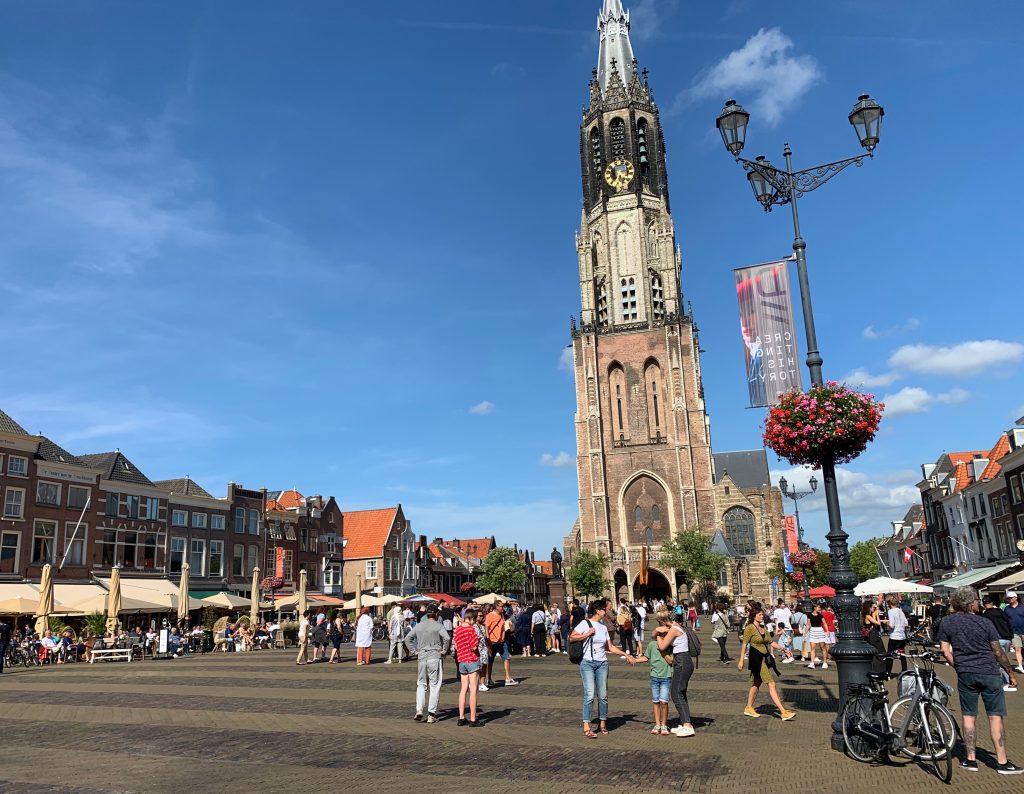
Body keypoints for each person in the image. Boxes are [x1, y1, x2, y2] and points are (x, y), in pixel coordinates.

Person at [937, 586, 1022, 774]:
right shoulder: (985, 623)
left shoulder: (947, 622)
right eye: (976, 599)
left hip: (966, 673)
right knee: (995, 716)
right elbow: (997, 651)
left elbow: (945, 650)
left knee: (969, 716)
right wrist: (1011, 673)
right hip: (989, 672)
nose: (978, 602)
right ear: (970, 603)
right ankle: (1001, 761)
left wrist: (957, 666)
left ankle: (970, 760)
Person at [569, 598, 635, 738]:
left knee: (603, 695)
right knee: (589, 694)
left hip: (602, 663)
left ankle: (603, 723)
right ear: (598, 611)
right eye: (604, 609)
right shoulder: (585, 623)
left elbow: (609, 647)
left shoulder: (603, 627)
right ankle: (586, 725)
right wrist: (587, 633)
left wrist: (625, 654)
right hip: (587, 662)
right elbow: (572, 637)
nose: (606, 610)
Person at [738, 604, 795, 721]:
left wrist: (784, 649)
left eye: (762, 614)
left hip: (764, 658)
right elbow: (744, 644)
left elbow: (771, 642)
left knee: (757, 683)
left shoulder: (763, 628)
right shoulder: (750, 628)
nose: (762, 616)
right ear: (754, 616)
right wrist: (741, 660)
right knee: (771, 683)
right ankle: (783, 712)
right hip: (756, 659)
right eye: (760, 615)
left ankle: (748, 707)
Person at [403, 607, 451, 724]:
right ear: (435, 614)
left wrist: (414, 651)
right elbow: (447, 638)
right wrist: (444, 651)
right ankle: (431, 714)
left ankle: (419, 709)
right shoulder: (438, 625)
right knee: (434, 685)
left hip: (422, 657)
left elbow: (407, 638)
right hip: (435, 656)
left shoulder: (419, 625)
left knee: (421, 684)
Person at [654, 611, 697, 736]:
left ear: (663, 620)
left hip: (682, 661)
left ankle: (687, 726)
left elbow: (661, 646)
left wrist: (658, 634)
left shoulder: (673, 630)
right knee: (680, 692)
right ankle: (685, 722)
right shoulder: (677, 627)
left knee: (676, 692)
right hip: (683, 661)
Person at [634, 611, 674, 736]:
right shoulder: (652, 645)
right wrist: (635, 660)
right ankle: (657, 723)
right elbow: (646, 657)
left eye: (665, 634)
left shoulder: (671, 646)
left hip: (666, 677)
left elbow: (671, 661)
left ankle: (664, 724)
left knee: (664, 702)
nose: (663, 636)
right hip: (654, 677)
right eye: (660, 634)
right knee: (656, 701)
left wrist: (662, 650)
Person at [453, 607, 482, 726]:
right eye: (474, 619)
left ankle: (461, 717)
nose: (474, 622)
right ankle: (473, 719)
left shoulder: (458, 630)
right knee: (473, 690)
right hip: (471, 660)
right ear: (470, 618)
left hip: (461, 661)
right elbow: (474, 646)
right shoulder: (471, 630)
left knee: (463, 689)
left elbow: (455, 646)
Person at [982, 594, 1016, 691]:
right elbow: (1009, 623)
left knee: (1000, 661)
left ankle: (1007, 682)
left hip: (996, 640)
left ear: (984, 604)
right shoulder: (1000, 611)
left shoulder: (985, 615)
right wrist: (1011, 636)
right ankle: (1007, 681)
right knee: (1004, 659)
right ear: (992, 603)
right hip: (1006, 638)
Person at [484, 601, 517, 687]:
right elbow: (486, 628)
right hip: (492, 641)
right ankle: (489, 679)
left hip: (502, 642)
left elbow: (502, 627)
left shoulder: (502, 615)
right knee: (490, 661)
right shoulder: (490, 616)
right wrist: (488, 639)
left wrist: (503, 637)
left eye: (503, 606)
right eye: (501, 606)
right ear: (496, 607)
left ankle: (508, 678)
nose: (503, 608)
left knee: (507, 658)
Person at [884, 595, 909, 674]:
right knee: (902, 655)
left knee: (890, 655)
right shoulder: (900, 610)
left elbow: (892, 625)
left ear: (889, 603)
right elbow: (906, 623)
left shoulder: (891, 611)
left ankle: (888, 672)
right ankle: (904, 670)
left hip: (894, 636)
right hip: (902, 636)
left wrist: (886, 622)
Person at [861, 601, 886, 674]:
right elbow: (878, 623)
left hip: (873, 635)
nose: (874, 609)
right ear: (869, 607)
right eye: (873, 607)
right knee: (879, 651)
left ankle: (878, 669)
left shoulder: (868, 615)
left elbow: (876, 626)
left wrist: (874, 613)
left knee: (876, 652)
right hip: (873, 636)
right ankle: (878, 669)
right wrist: (877, 615)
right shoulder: (867, 616)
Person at [805, 603, 829, 669]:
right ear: (815, 608)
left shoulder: (821, 615)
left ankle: (825, 662)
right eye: (818, 607)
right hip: (813, 631)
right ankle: (812, 663)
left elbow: (824, 623)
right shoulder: (809, 615)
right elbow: (808, 624)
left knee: (823, 647)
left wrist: (827, 631)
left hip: (820, 631)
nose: (820, 608)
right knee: (812, 648)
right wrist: (805, 633)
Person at [1005, 591, 1024, 673]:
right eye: (1008, 598)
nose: (1010, 599)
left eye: (1011, 597)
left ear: (1016, 598)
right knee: (1017, 649)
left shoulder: (1022, 607)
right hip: (1014, 632)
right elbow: (1005, 621)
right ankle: (1020, 666)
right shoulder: (1006, 609)